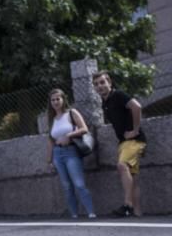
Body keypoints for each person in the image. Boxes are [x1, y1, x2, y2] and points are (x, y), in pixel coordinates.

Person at [93, 70, 147, 217]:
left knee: (121, 166)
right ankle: (137, 214)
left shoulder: (118, 95)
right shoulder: (105, 102)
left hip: (134, 141)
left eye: (103, 82)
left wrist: (135, 130)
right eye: (96, 84)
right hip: (124, 142)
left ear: (109, 82)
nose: (100, 86)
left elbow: (137, 107)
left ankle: (127, 205)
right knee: (133, 179)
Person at [46, 88, 97, 219]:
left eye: (58, 99)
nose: (55, 102)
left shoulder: (71, 113)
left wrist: (69, 135)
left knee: (79, 184)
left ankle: (91, 212)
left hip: (71, 152)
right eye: (53, 100)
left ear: (63, 99)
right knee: (67, 186)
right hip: (57, 154)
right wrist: (49, 160)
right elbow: (51, 141)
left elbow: (84, 129)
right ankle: (74, 214)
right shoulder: (52, 119)